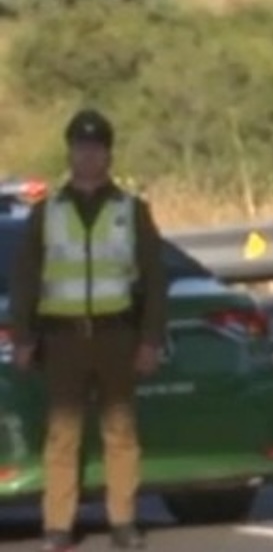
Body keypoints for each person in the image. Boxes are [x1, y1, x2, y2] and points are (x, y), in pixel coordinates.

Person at [8, 109, 168, 551]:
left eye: (96, 149)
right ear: (70, 152)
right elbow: (26, 279)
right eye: (81, 148)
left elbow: (155, 280)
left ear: (109, 155)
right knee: (63, 433)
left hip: (117, 334)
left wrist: (151, 340)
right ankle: (58, 526)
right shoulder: (48, 212)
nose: (88, 156)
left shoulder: (131, 210)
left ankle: (123, 522)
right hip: (62, 338)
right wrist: (24, 337)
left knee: (120, 430)